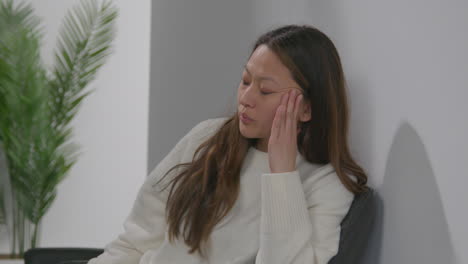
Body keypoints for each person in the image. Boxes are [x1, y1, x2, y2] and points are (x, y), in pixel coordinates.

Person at [88, 24, 368, 264]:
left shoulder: (328, 183)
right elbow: (134, 243)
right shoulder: (206, 138)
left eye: (265, 90)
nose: (246, 97)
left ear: (307, 108)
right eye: (245, 80)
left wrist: (282, 175)